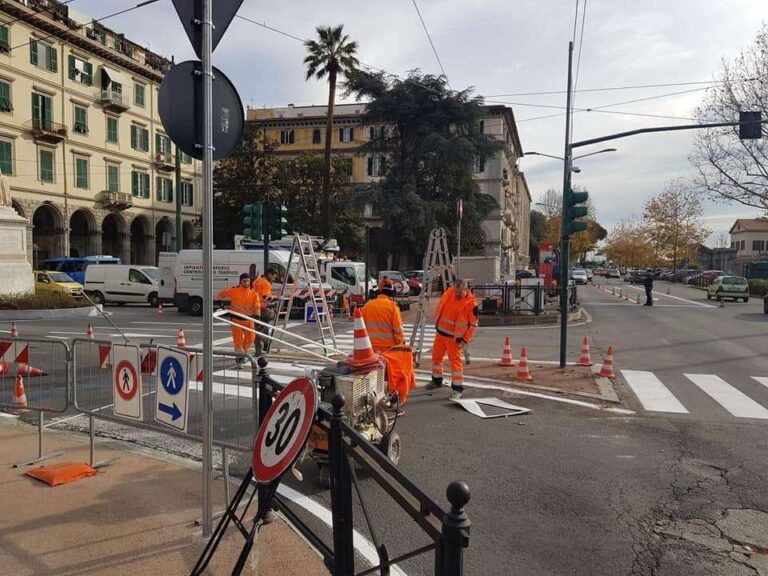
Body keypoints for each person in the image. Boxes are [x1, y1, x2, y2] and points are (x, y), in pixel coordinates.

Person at [425, 279, 478, 400]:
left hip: (454, 338)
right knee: (436, 357)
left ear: (466, 289)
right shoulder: (450, 292)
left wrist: (465, 339)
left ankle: (457, 388)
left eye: (460, 293)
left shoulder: (471, 304)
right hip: (441, 333)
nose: (457, 294)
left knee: (455, 362)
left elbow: (473, 324)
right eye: (456, 291)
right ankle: (437, 380)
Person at [217, 273, 261, 366]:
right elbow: (221, 294)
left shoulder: (254, 293)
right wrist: (220, 302)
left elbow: (257, 306)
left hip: (249, 320)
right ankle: (240, 358)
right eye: (244, 281)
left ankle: (242, 355)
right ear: (240, 281)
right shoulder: (234, 290)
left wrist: (258, 316)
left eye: (248, 281)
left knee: (250, 339)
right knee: (238, 341)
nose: (246, 282)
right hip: (236, 320)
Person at [361, 279, 405, 352]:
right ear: (392, 293)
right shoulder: (392, 307)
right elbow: (398, 329)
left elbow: (361, 327)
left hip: (369, 347)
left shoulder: (367, 306)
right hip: (388, 348)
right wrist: (401, 343)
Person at [251, 269, 278, 355]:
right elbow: (265, 296)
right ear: (270, 274)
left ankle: (258, 351)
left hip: (254, 308)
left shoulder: (258, 280)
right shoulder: (266, 283)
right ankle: (267, 341)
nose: (274, 278)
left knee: (257, 329)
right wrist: (276, 297)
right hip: (263, 309)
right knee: (263, 328)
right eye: (274, 276)